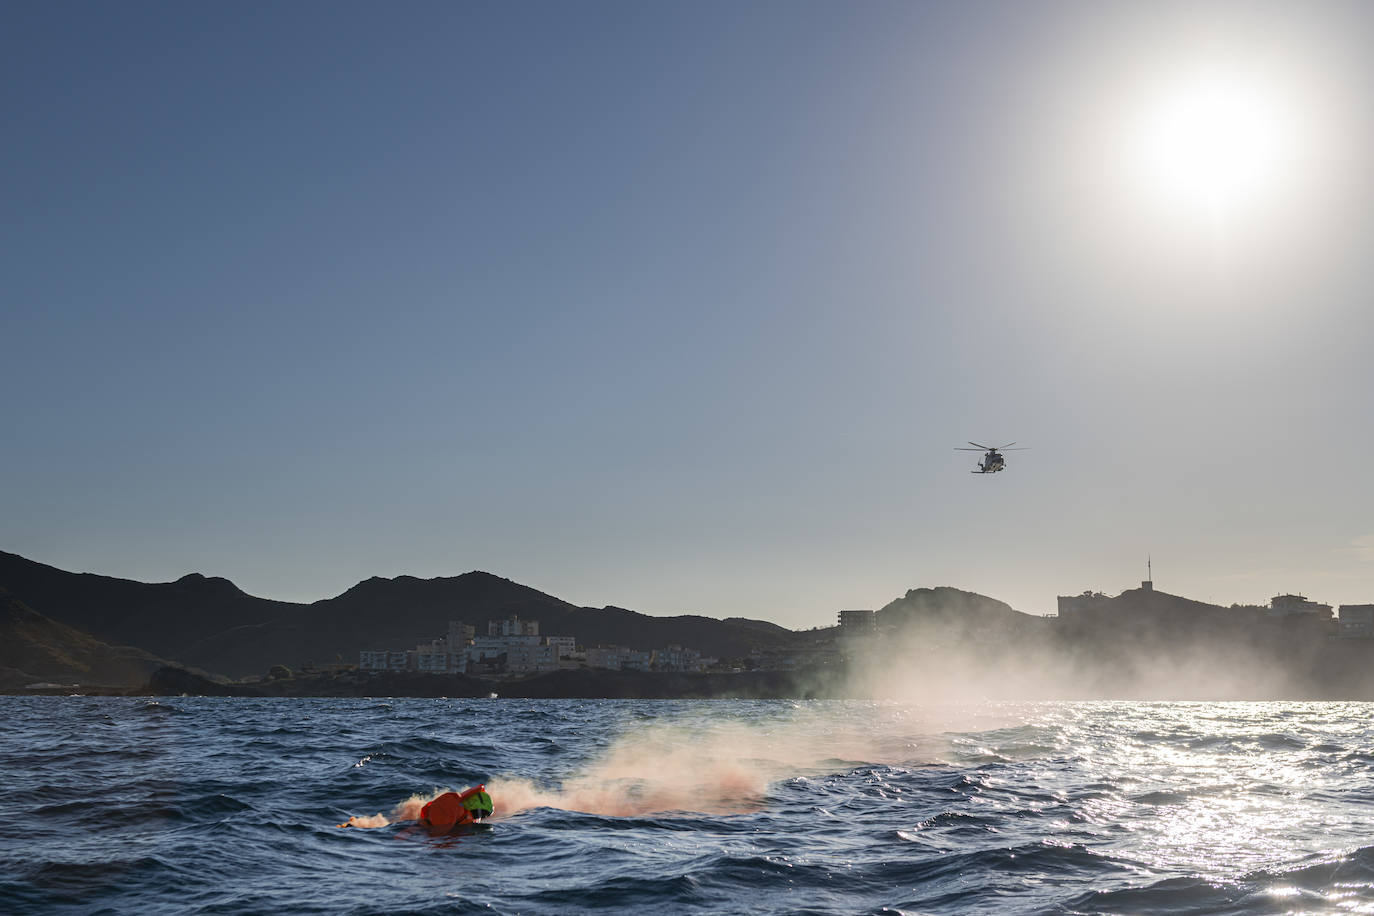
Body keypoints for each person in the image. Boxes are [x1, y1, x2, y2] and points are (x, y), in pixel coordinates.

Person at [418, 785, 494, 833]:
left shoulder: (462, 808)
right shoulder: (453, 808)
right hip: (424, 829)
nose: (480, 817)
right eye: (481, 814)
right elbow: (438, 832)